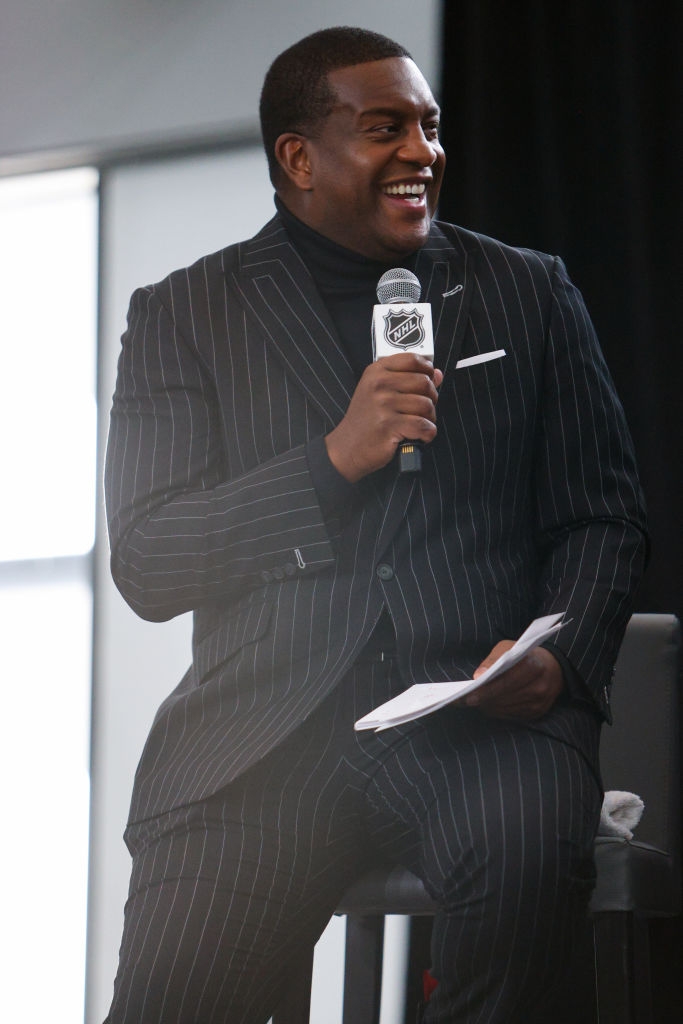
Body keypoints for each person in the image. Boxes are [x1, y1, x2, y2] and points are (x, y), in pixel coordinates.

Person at [103, 25, 648, 1024]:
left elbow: (601, 518)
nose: (421, 153)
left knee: (530, 868)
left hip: (482, 737)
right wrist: (329, 461)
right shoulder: (186, 314)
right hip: (262, 741)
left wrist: (560, 660)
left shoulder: (527, 291)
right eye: (384, 127)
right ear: (298, 158)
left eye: (430, 129)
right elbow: (150, 558)